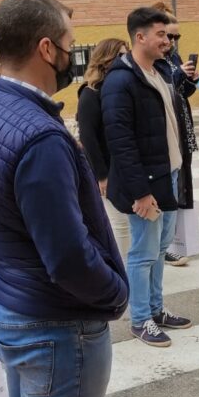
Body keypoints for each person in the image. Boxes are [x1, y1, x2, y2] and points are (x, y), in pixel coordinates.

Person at [0, 0, 129, 397]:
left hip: (11, 304)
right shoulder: (40, 136)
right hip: (54, 324)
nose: (75, 54)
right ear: (47, 48)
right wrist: (115, 294)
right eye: (70, 43)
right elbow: (68, 256)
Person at [102, 7, 192, 347]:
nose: (168, 40)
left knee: (160, 249)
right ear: (140, 37)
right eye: (161, 34)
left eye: (168, 35)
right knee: (142, 253)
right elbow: (120, 142)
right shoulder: (121, 80)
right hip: (146, 184)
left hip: (168, 175)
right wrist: (140, 192)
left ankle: (156, 309)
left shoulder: (160, 71)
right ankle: (140, 319)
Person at [76, 38, 131, 252]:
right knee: (120, 224)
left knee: (128, 223)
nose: (125, 60)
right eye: (120, 56)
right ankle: (123, 268)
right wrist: (102, 175)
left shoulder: (120, 88)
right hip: (107, 169)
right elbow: (88, 137)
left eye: (126, 55)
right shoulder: (90, 93)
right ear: (105, 60)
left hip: (124, 166)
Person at [157, 3, 199, 267]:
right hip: (165, 132)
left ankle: (174, 241)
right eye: (168, 35)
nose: (172, 41)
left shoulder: (174, 57)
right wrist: (177, 74)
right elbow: (162, 86)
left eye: (176, 36)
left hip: (182, 126)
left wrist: (191, 79)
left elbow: (182, 93)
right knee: (168, 188)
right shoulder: (154, 60)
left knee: (181, 185)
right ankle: (163, 246)